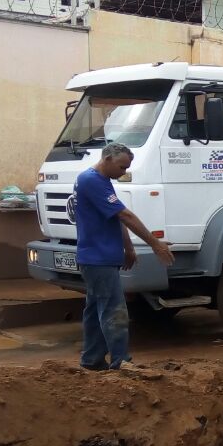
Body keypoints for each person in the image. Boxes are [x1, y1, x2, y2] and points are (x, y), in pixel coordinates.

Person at [74, 143, 174, 370]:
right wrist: (155, 243)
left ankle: (91, 360)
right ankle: (121, 362)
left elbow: (115, 218)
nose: (124, 172)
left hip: (98, 257)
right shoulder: (91, 180)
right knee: (113, 310)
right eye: (122, 167)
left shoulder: (102, 181)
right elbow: (125, 215)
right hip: (97, 258)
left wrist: (128, 249)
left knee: (94, 311)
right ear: (107, 159)